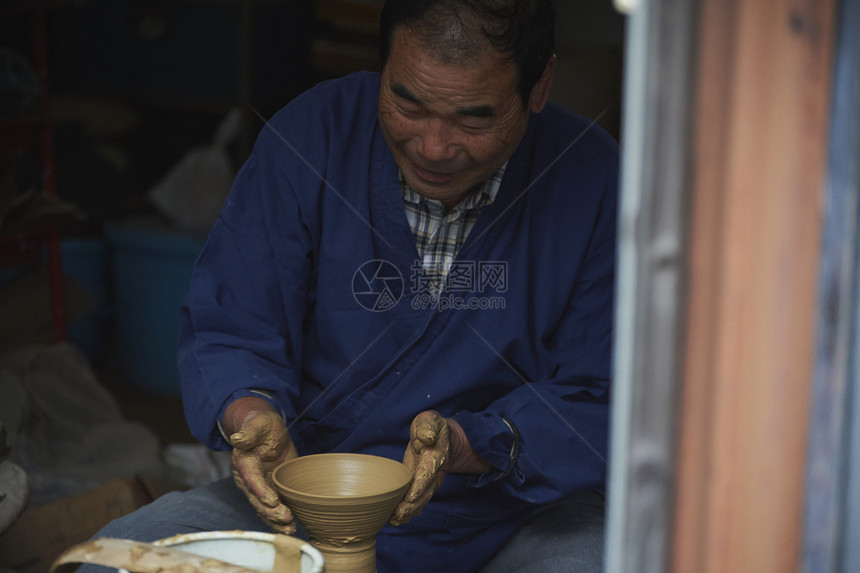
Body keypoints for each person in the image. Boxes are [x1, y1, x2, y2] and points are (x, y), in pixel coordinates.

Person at [89, 0, 618, 571]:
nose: (433, 146)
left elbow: (606, 395)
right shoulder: (311, 135)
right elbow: (234, 322)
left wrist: (471, 445)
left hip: (511, 518)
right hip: (302, 506)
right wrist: (252, 416)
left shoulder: (593, 181)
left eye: (473, 118)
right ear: (383, 64)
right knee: (117, 559)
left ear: (539, 87)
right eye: (407, 102)